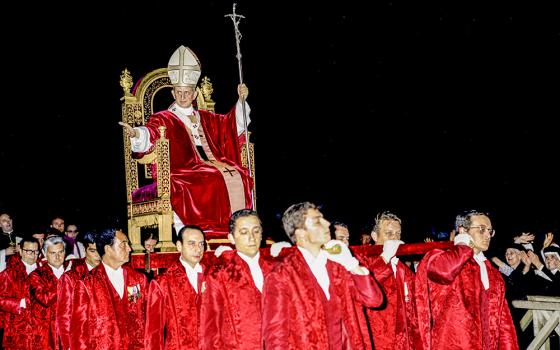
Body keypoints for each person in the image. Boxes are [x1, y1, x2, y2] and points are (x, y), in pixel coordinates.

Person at [119, 45, 253, 236]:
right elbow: (151, 133)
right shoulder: (164, 117)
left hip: (210, 166)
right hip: (181, 170)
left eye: (187, 92)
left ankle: (237, 231)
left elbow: (230, 125)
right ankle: (199, 232)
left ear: (195, 94)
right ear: (173, 93)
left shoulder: (206, 117)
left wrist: (241, 101)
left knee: (240, 174)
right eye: (179, 92)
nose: (183, 96)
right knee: (208, 178)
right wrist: (137, 134)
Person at [262, 202, 383, 349]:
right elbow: (276, 339)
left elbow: (374, 300)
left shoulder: (338, 266)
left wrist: (352, 265)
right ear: (301, 233)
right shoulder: (281, 276)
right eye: (318, 220)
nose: (327, 224)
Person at [415, 210, 518, 350]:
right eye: (482, 229)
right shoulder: (440, 257)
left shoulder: (494, 275)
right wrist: (462, 245)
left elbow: (504, 324)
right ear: (463, 230)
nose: (488, 235)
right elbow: (443, 271)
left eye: (490, 231)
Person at [200, 209, 275, 349]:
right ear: (232, 238)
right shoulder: (219, 274)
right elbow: (210, 329)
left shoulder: (277, 269)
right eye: (244, 232)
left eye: (256, 231)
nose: (252, 237)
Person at [354, 211, 422, 350]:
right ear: (374, 236)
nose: (395, 239)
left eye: (398, 234)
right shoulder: (362, 262)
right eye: (389, 233)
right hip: (377, 342)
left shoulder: (404, 271)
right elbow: (364, 287)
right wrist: (385, 257)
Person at [70, 228, 148, 349]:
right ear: (107, 249)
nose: (129, 249)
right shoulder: (86, 284)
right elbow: (79, 333)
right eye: (123, 244)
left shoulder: (139, 279)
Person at [145, 225, 207, 349]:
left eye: (201, 244)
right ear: (179, 246)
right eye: (192, 244)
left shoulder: (213, 276)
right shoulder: (162, 282)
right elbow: (153, 333)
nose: (198, 249)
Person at [57, 230, 101, 350]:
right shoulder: (71, 277)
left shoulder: (107, 273)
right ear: (84, 251)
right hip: (80, 342)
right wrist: (68, 346)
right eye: (92, 251)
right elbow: (64, 316)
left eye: (100, 250)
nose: (98, 255)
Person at [0, 236, 41, 349]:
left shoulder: (44, 271)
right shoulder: (9, 273)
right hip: (16, 326)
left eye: (36, 251)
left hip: (39, 328)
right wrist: (19, 303)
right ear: (21, 252)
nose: (33, 255)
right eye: (29, 251)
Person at [28, 235, 68, 349]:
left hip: (69, 328)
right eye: (53, 253)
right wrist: (65, 281)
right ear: (45, 254)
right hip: (47, 332)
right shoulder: (37, 275)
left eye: (60, 252)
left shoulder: (74, 271)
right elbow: (45, 299)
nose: (57, 256)